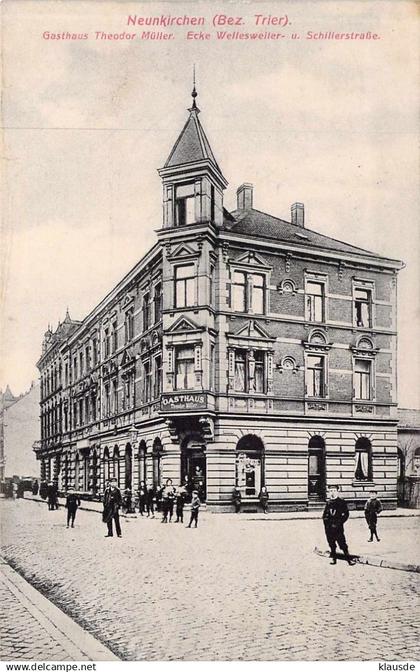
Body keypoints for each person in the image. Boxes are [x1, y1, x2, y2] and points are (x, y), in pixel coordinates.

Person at [322, 485, 356, 566]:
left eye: (334, 490)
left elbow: (346, 514)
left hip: (338, 528)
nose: (332, 492)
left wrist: (339, 523)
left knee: (342, 544)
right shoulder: (328, 502)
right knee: (331, 544)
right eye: (330, 491)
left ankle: (349, 560)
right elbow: (325, 514)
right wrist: (326, 522)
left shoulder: (341, 502)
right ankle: (334, 559)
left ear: (337, 491)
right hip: (329, 528)